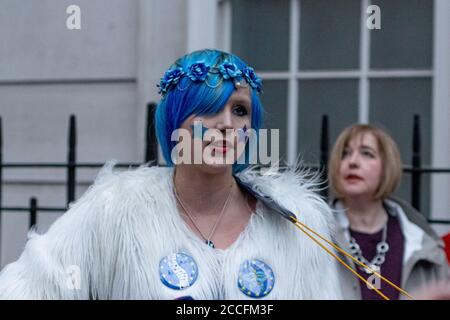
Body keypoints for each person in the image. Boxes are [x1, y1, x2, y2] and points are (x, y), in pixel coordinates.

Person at [0, 49, 342, 299]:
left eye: (240, 110)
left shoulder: (298, 223)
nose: (226, 124)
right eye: (207, 108)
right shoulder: (116, 210)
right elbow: (28, 287)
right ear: (174, 121)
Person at [328, 124, 450, 300]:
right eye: (344, 154)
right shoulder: (315, 237)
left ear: (387, 167)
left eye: (366, 153)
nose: (352, 161)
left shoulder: (422, 244)